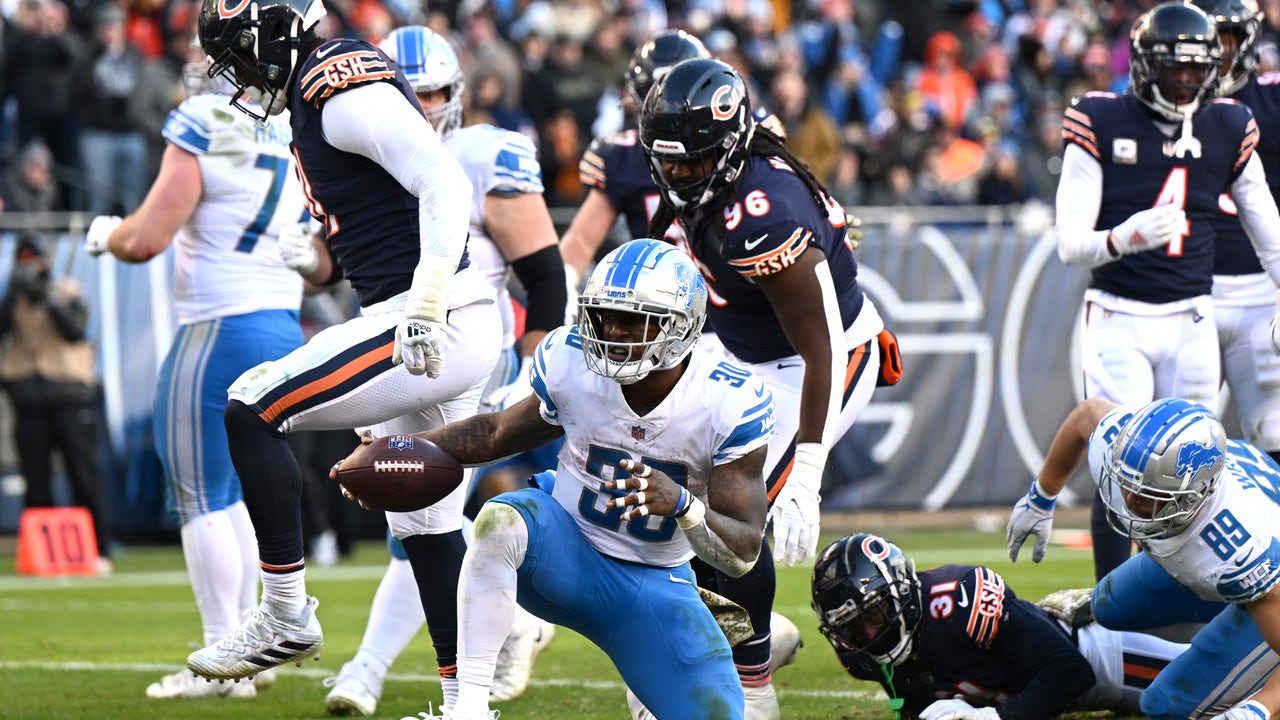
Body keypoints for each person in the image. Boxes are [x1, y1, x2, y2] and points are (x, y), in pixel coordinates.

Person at [189, 2, 502, 712]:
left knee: (251, 406)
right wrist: (327, 267)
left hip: (433, 319)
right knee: (426, 528)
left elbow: (442, 180)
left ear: (272, 35)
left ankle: (286, 611)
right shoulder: (313, 94)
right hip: (438, 317)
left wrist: (424, 297)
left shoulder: (333, 81)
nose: (238, 74)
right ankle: (467, 704)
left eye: (239, 54)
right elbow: (385, 216)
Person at [348, 238, 774, 720]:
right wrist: (402, 450)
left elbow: (742, 553)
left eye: (633, 320)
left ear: (680, 327)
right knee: (502, 519)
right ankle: (466, 710)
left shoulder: (727, 402)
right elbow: (497, 433)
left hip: (652, 585)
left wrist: (682, 504)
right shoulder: (573, 363)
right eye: (603, 316)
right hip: (561, 553)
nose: (612, 331)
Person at [320, 25, 567, 716]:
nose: (422, 107)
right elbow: (338, 268)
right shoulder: (362, 160)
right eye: (408, 93)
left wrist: (529, 369)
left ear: (455, 96)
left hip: (484, 370)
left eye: (431, 93)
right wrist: (301, 256)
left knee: (429, 523)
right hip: (405, 361)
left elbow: (544, 277)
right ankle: (509, 630)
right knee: (418, 524)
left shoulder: (483, 155)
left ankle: (378, 672)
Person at [639, 56, 895, 718]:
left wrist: (806, 472)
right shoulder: (712, 174)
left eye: (693, 164)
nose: (678, 176)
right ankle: (749, 641)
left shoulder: (763, 213)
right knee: (674, 514)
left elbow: (823, 346)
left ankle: (753, 689)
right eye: (670, 162)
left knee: (733, 516)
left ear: (726, 150)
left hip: (823, 358)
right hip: (744, 354)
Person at [81, 42, 309, 699]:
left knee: (199, 494)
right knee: (233, 493)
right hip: (280, 323)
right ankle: (246, 648)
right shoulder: (293, 122)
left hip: (218, 322)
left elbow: (148, 236)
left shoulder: (205, 120)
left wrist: (107, 235)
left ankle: (221, 660)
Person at [1052, 1, 1280, 582]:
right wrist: (1124, 237)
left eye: (1197, 65)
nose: (1186, 79)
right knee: (1123, 456)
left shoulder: (1235, 120)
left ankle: (1223, 592)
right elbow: (1071, 242)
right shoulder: (1102, 117)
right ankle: (1113, 607)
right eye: (1173, 66)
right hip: (1129, 308)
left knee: (1214, 463)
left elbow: (1269, 233)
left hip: (1206, 311)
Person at [1007, 396, 1280, 720]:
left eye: (1149, 495)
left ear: (1194, 496)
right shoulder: (1127, 452)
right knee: (1107, 605)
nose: (1129, 498)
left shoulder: (1241, 548)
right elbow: (1087, 414)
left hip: (1265, 584)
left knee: (1165, 706)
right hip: (1209, 562)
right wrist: (1041, 497)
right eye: (1126, 483)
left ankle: (1245, 665)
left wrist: (1262, 706)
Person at [811, 533, 1187, 720]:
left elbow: (1071, 672)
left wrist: (993, 717)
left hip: (1095, 651)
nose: (869, 637)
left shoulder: (959, 600)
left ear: (900, 593)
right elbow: (916, 703)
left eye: (873, 616)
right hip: (1022, 688)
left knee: (1207, 696)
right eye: (852, 630)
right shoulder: (861, 658)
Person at [1190, 0, 1280, 469]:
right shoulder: (1157, 108)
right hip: (1185, 294)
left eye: (1222, 42)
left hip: (1262, 293)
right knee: (1180, 446)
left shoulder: (1270, 98)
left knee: (1274, 430)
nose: (1212, 56)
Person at [0, 238, 113, 573]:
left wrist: (49, 298)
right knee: (35, 476)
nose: (28, 264)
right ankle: (43, 551)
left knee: (83, 471)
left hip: (68, 394)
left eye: (33, 258)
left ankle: (99, 548)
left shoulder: (68, 290)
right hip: (29, 395)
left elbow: (76, 332)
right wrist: (14, 292)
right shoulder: (14, 296)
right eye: (23, 259)